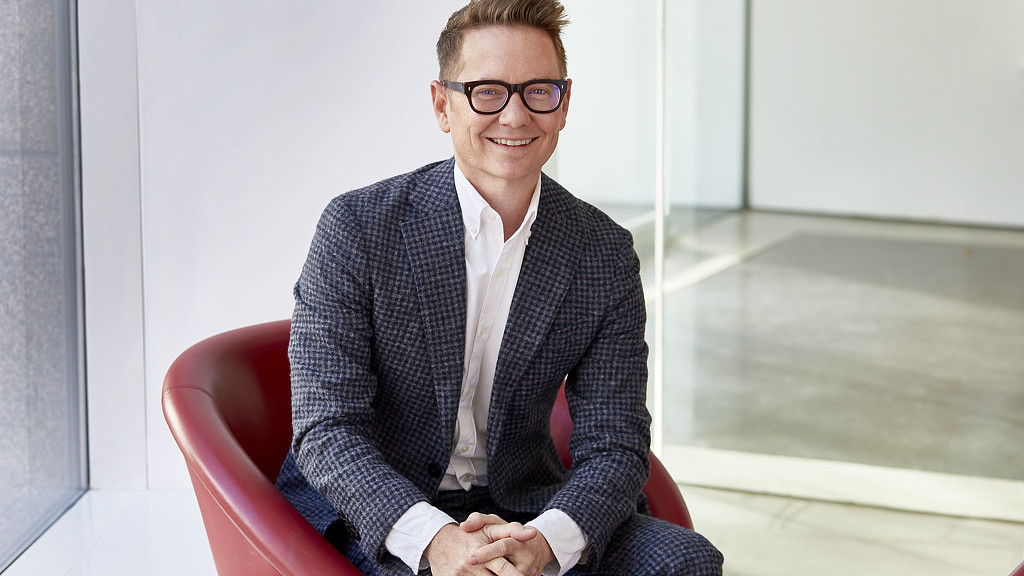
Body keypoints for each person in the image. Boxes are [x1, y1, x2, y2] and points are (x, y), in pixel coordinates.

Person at [275, 0, 724, 574]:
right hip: (384, 507)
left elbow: (616, 442)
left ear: (564, 104)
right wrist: (437, 542)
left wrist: (543, 544)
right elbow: (326, 428)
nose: (515, 116)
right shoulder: (358, 229)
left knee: (686, 560)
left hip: (527, 506)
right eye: (487, 90)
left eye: (538, 90)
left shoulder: (602, 251)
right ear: (443, 104)